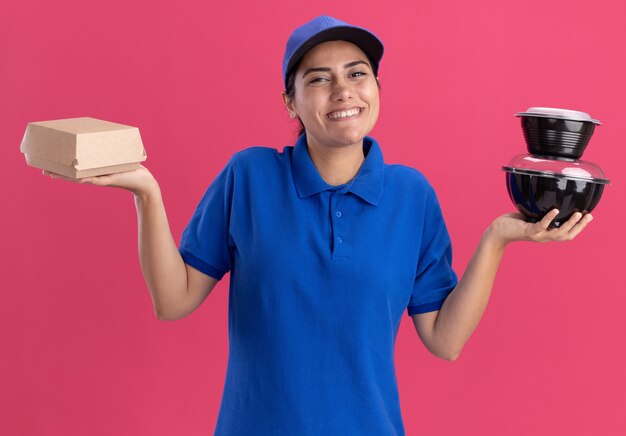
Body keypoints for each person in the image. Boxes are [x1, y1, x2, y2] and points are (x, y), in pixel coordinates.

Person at [43, 15, 593, 436]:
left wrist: (498, 237)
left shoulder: (411, 195)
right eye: (319, 79)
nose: (343, 91)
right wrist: (147, 193)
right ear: (291, 100)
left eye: (358, 74)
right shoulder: (249, 176)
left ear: (377, 87)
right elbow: (174, 300)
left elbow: (444, 341)